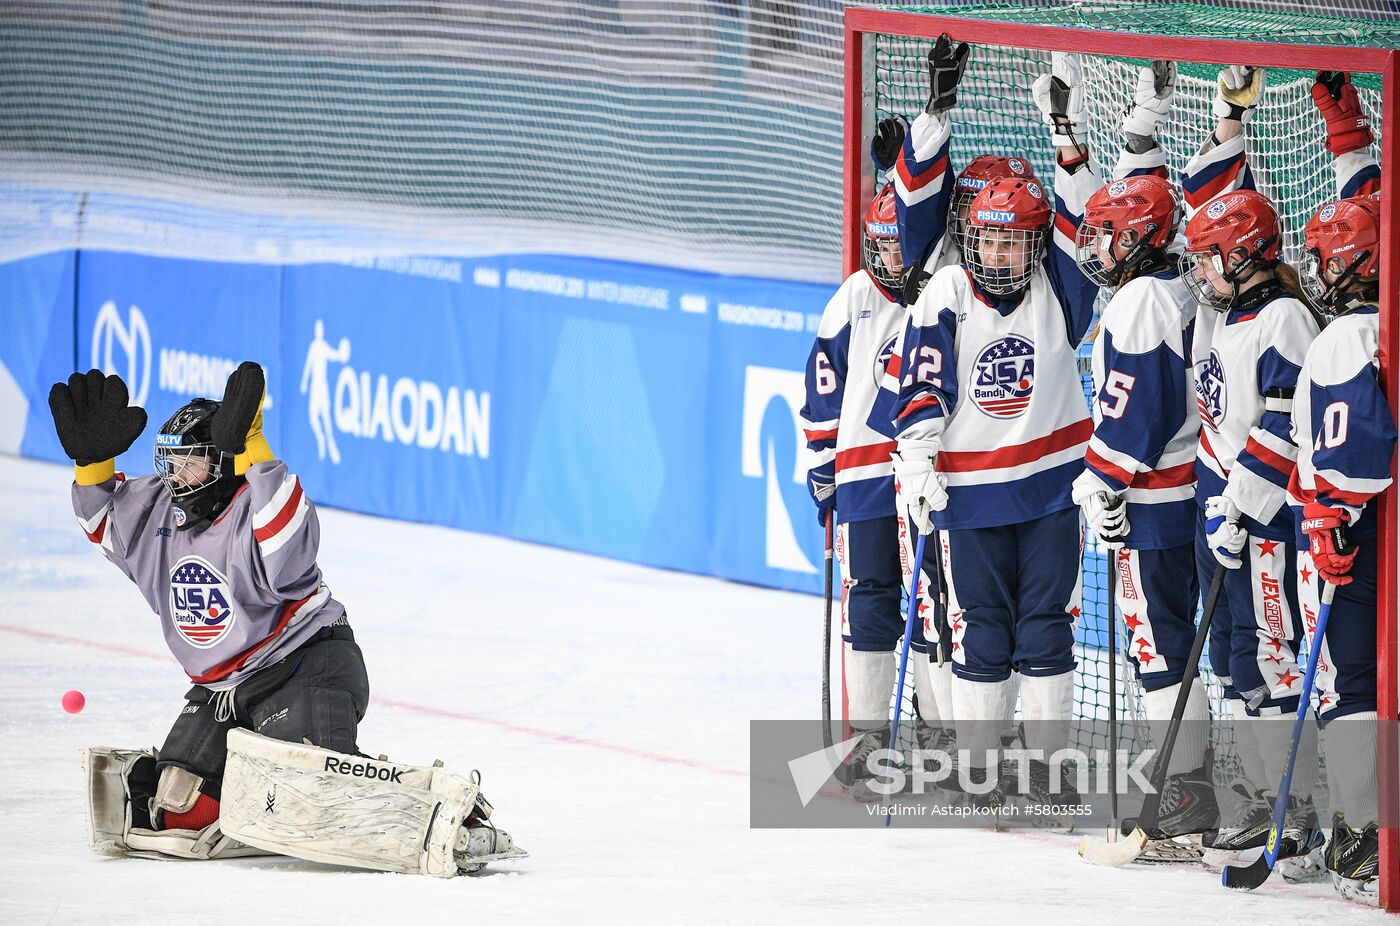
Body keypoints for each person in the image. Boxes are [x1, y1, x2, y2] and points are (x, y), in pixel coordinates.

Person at [51, 362, 523, 877]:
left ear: (226, 465)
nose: (175, 477)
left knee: (318, 796)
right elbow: (104, 525)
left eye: (191, 464)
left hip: (304, 664)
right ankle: (259, 794)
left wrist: (254, 447)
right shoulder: (159, 510)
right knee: (176, 810)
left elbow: (291, 555)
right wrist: (92, 462)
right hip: (222, 688)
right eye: (171, 463)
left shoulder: (257, 507)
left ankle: (455, 814)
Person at [890, 52, 1100, 813]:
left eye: (1014, 242)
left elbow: (1084, 222)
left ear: (1035, 246)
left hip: (1049, 489)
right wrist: (916, 466)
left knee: (1046, 629)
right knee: (983, 630)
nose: (1000, 254)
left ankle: (1046, 771)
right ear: (970, 236)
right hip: (970, 496)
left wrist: (1064, 134)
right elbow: (920, 386)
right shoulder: (946, 287)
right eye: (989, 240)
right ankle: (982, 774)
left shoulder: (1059, 289)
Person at [802, 33, 969, 793]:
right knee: (872, 602)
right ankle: (867, 739)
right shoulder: (854, 299)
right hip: (868, 481)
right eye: (883, 248)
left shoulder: (943, 285)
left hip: (927, 478)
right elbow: (820, 394)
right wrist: (818, 469)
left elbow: (926, 209)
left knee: (938, 605)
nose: (894, 260)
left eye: (901, 246)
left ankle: (937, 733)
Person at [1178, 65, 1325, 873]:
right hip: (1221, 514)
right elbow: (1212, 196)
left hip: (1261, 524)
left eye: (1208, 259)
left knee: (1271, 659)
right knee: (1240, 659)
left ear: (1245, 259)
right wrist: (1224, 119)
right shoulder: (1226, 309)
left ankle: (1296, 808)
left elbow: (1282, 427)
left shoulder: (1282, 319)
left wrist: (1239, 510)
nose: (1196, 269)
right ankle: (1267, 794)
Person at [1071, 61, 1218, 849]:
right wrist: (1137, 134)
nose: (1096, 243)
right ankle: (1195, 786)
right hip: (1191, 488)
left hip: (1153, 502)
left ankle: (1183, 795)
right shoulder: (1177, 283)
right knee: (1186, 640)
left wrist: (1103, 482)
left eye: (1107, 232)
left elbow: (1138, 410)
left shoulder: (1137, 300)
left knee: (1156, 641)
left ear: (1137, 237)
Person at [1288, 70, 1391, 904]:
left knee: (1349, 684)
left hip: (1361, 540)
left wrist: (1329, 517)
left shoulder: (1344, 338)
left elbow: (1355, 456)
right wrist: (1350, 133)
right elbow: (1373, 205)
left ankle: (1363, 838)